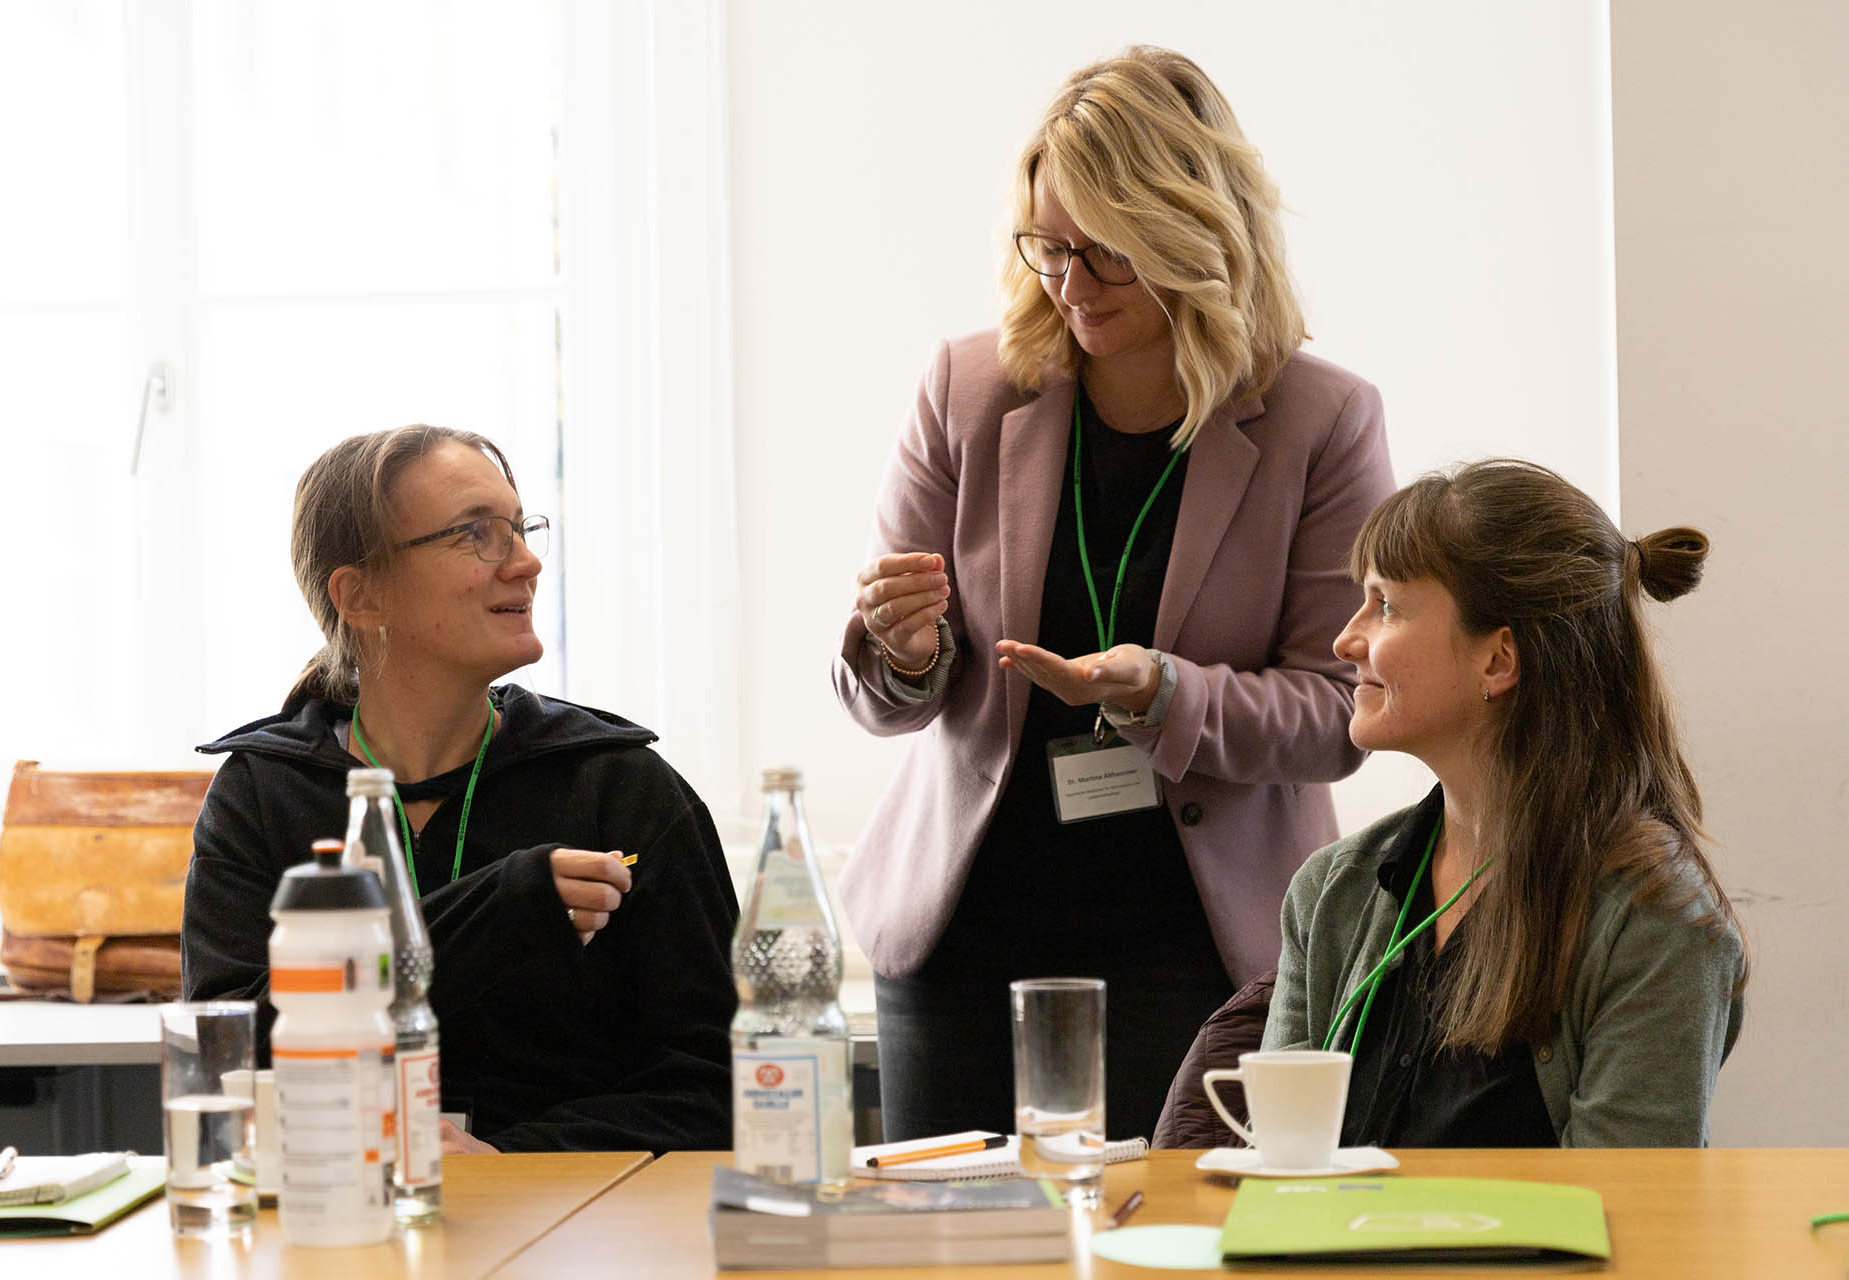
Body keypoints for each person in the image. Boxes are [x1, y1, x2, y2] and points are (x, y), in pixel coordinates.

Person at [834, 46, 1394, 1141]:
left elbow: (1339, 711)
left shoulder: (1321, 419)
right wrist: (899, 651)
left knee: (1170, 1247)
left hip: (1193, 948)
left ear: (1197, 237)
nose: (1070, 285)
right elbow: (884, 696)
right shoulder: (967, 385)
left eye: (1107, 255)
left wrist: (1166, 693)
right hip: (962, 936)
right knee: (955, 1253)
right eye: (1047, 246)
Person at [182, 425, 739, 1153]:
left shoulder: (623, 789)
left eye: (521, 527)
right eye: (477, 534)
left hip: (579, 1239)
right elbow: (229, 1063)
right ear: (362, 594)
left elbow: (720, 1093)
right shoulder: (260, 796)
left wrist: (511, 1160)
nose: (528, 562)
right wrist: (498, 910)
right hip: (338, 1228)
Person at [1263, 459, 1747, 1146]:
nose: (1346, 640)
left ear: (1498, 660)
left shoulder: (1655, 922)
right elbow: (1279, 1168)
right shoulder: (1331, 890)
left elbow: (1631, 1218)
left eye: (1387, 605)